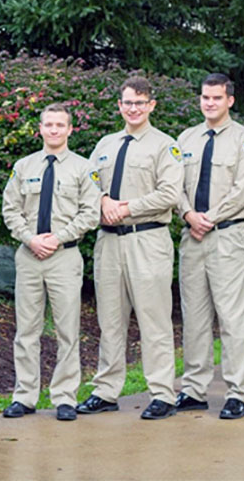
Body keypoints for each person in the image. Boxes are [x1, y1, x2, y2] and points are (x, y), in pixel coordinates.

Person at [77, 76, 184, 420]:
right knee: (110, 320)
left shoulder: (165, 146)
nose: (133, 109)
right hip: (109, 242)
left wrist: (126, 207)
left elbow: (169, 193)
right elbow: (87, 183)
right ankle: (106, 390)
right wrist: (104, 199)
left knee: (154, 319)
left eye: (140, 102)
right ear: (119, 105)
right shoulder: (105, 144)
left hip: (147, 239)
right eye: (127, 102)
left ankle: (163, 394)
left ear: (152, 105)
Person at [1, 103, 101, 422]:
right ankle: (25, 396)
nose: (54, 130)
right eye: (49, 124)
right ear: (40, 128)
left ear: (70, 129)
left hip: (64, 255)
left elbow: (91, 212)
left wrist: (57, 237)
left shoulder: (84, 169)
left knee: (67, 330)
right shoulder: (24, 166)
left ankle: (65, 397)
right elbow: (10, 210)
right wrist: (31, 239)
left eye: (60, 125)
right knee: (26, 330)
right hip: (29, 255)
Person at [174, 73, 244, 420]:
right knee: (194, 316)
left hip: (227, 235)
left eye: (216, 98)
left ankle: (238, 391)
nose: (209, 103)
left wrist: (207, 217)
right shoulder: (186, 138)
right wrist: (187, 214)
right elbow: (172, 184)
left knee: (233, 316)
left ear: (230, 101)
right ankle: (194, 389)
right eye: (205, 97)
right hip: (192, 236)